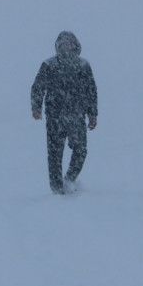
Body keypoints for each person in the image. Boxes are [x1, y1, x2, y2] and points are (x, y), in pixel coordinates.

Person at [31, 31, 98, 194]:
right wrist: (36, 107)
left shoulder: (83, 66)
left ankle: (69, 179)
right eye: (62, 44)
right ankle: (56, 189)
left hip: (77, 116)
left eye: (69, 43)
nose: (66, 46)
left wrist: (92, 114)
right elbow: (38, 87)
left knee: (81, 150)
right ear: (57, 46)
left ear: (75, 45)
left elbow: (91, 90)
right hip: (55, 118)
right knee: (54, 154)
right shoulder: (49, 65)